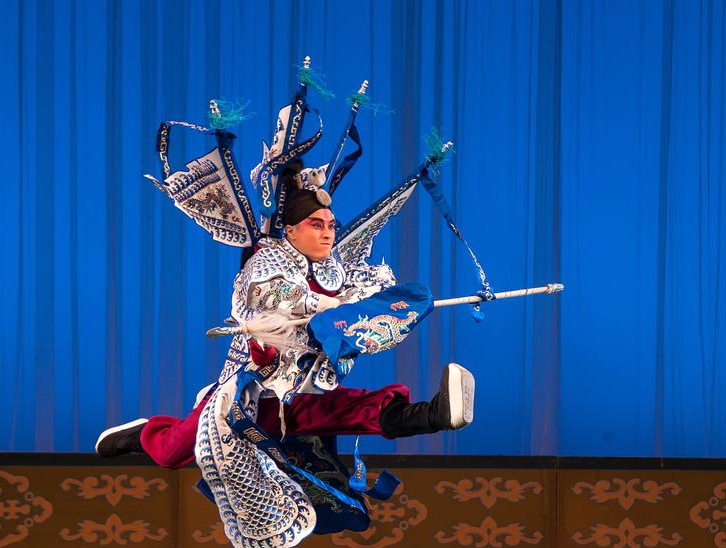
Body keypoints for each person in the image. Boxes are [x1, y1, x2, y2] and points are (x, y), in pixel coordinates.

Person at [95, 185, 475, 469]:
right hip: (249, 393)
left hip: (305, 390)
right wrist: (328, 305)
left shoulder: (337, 268)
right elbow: (275, 295)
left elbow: (376, 293)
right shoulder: (265, 263)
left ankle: (437, 413)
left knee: (362, 410)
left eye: (331, 225)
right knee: (173, 452)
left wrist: (383, 304)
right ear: (290, 231)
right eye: (316, 225)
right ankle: (143, 435)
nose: (327, 233)